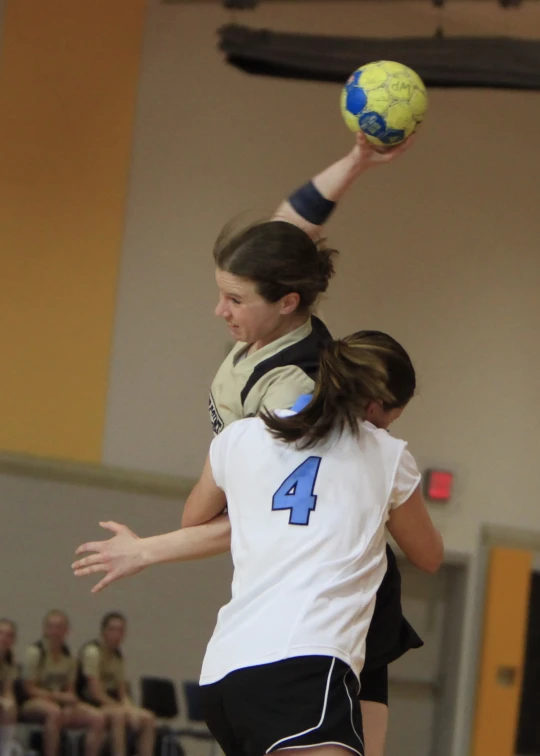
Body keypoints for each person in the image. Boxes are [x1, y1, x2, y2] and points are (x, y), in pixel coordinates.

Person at [72, 330, 443, 756]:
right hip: (305, 664)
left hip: (227, 673)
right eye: (393, 415)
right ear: (375, 406)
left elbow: (196, 519)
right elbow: (429, 556)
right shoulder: (386, 452)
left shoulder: (243, 435)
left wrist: (147, 549)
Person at [209, 132, 421, 756]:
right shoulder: (267, 321)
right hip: (295, 593)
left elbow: (270, 506)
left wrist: (153, 550)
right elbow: (288, 227)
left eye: (233, 298)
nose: (218, 309)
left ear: (287, 301)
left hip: (339, 595)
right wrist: (355, 161)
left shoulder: (294, 386)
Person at [20, 610, 105, 756]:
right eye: (51, 627)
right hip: (33, 702)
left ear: (66, 631)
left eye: (59, 627)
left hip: (60, 703)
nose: (55, 632)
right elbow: (29, 688)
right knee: (54, 713)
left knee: (97, 717)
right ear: (45, 629)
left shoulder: (70, 658)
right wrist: (57, 697)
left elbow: (70, 690)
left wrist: (69, 702)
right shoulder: (35, 653)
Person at [78, 612, 156, 756]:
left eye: (120, 631)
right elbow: (95, 693)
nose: (116, 634)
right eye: (112, 630)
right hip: (90, 703)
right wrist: (123, 709)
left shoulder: (118, 656)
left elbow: (122, 692)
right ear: (103, 632)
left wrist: (130, 708)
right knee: (119, 716)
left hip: (112, 704)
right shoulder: (92, 652)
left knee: (148, 718)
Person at [0, 619, 19, 756]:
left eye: (9, 635)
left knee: (10, 707)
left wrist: (9, 702)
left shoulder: (10, 662)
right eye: (1, 633)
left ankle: (6, 750)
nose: (4, 638)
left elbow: (8, 689)